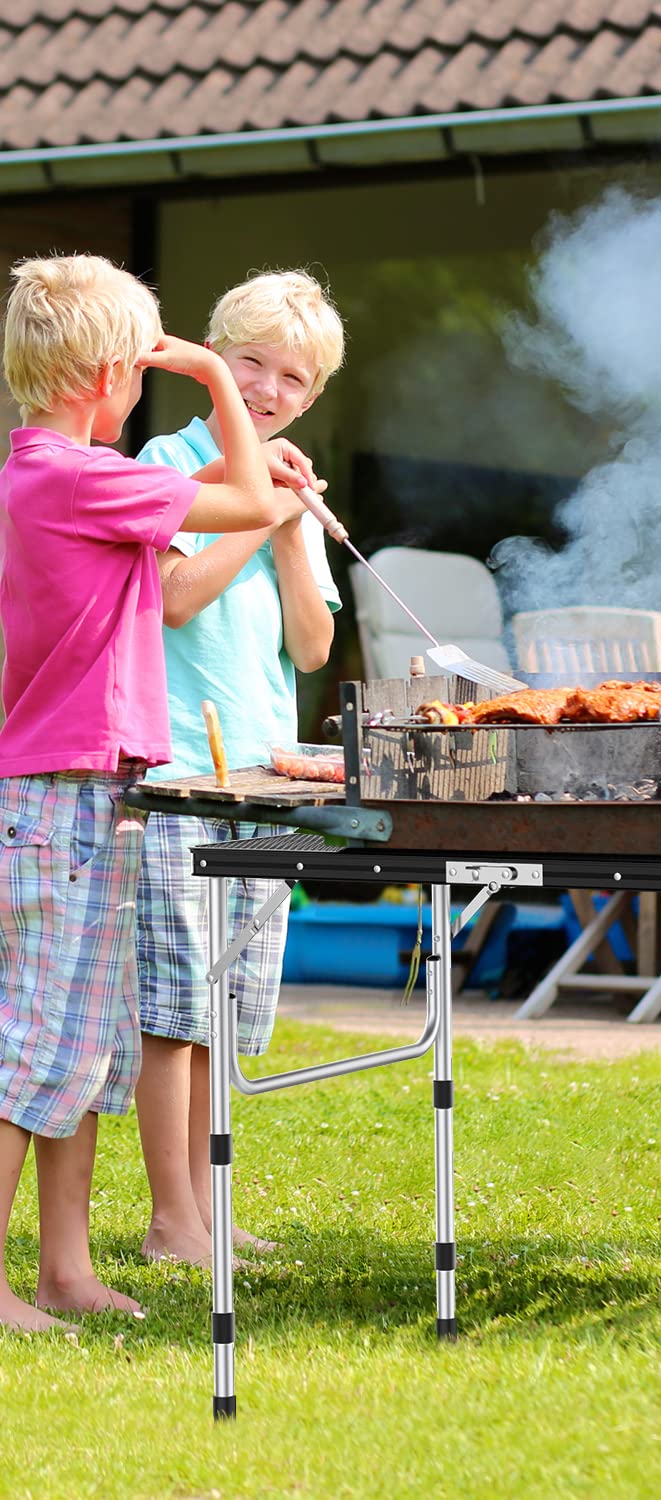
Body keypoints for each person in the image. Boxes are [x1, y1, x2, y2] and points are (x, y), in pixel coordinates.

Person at [0, 253, 288, 1331]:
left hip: (80, 790)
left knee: (78, 1045)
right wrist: (217, 378)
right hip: (63, 796)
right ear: (109, 374)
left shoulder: (45, 475)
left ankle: (64, 1271)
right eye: (142, 363)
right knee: (32, 1047)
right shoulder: (83, 477)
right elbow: (253, 497)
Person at [133, 271, 344, 1265]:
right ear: (216, 358)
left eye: (292, 377)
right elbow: (173, 599)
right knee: (174, 1008)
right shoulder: (168, 462)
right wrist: (260, 511)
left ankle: (212, 1209)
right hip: (179, 765)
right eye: (251, 363)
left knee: (228, 1008)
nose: (266, 389)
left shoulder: (287, 482)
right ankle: (172, 1220)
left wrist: (294, 527)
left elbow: (310, 649)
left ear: (312, 395)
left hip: (268, 766)